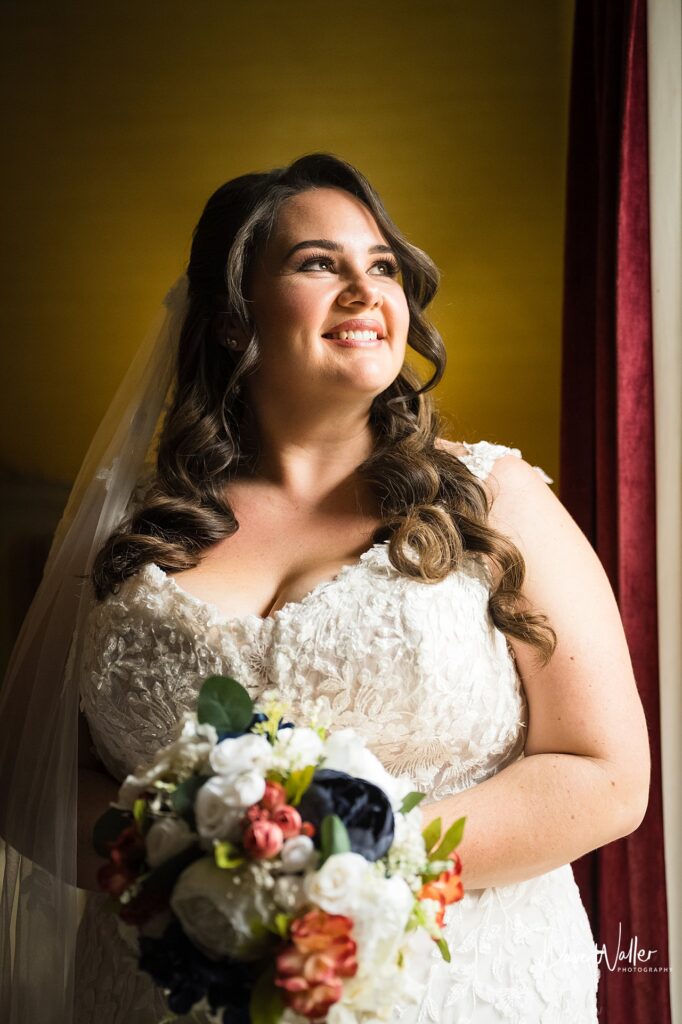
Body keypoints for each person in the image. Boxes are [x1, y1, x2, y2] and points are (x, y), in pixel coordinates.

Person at [0, 153, 650, 1023]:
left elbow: (606, 776)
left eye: (380, 266)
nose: (363, 289)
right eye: (317, 263)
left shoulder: (494, 500)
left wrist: (339, 858)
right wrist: (180, 853)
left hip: (454, 994)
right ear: (234, 319)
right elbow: (30, 777)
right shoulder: (130, 540)